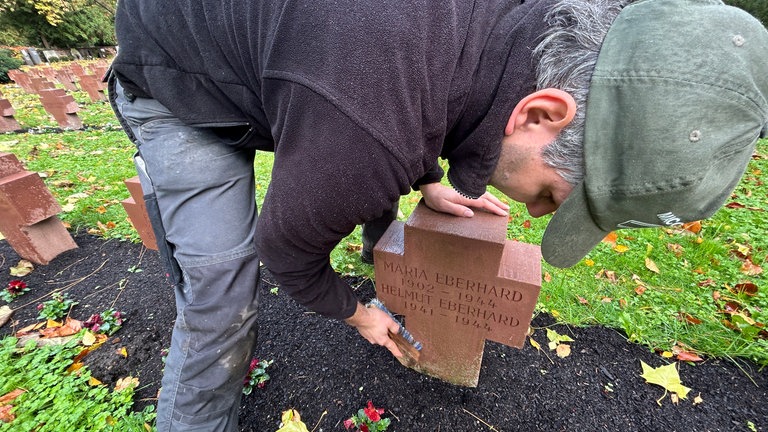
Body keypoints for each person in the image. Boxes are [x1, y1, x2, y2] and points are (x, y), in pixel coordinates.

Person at [107, 0, 768, 430]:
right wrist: (360, 312)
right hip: (172, 75)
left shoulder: (499, 35)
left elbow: (428, 88)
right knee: (221, 289)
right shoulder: (368, 118)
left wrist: (425, 176)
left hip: (304, 69)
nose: (536, 214)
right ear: (541, 114)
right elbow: (286, 250)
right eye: (555, 197)